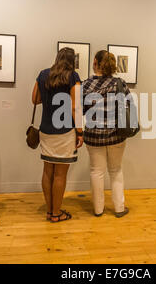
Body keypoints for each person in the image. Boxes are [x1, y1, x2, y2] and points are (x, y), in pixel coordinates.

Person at [32, 47, 83, 223]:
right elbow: (75, 107)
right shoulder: (73, 77)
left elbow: (35, 99)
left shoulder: (43, 74)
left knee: (48, 172)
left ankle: (49, 211)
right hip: (65, 129)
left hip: (46, 129)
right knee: (60, 174)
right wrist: (80, 131)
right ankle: (56, 213)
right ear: (72, 61)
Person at [82, 50, 133, 218]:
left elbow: (80, 110)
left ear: (95, 62)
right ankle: (119, 208)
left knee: (96, 171)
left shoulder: (86, 84)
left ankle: (98, 209)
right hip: (116, 134)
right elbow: (129, 106)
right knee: (116, 170)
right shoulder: (120, 83)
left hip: (93, 135)